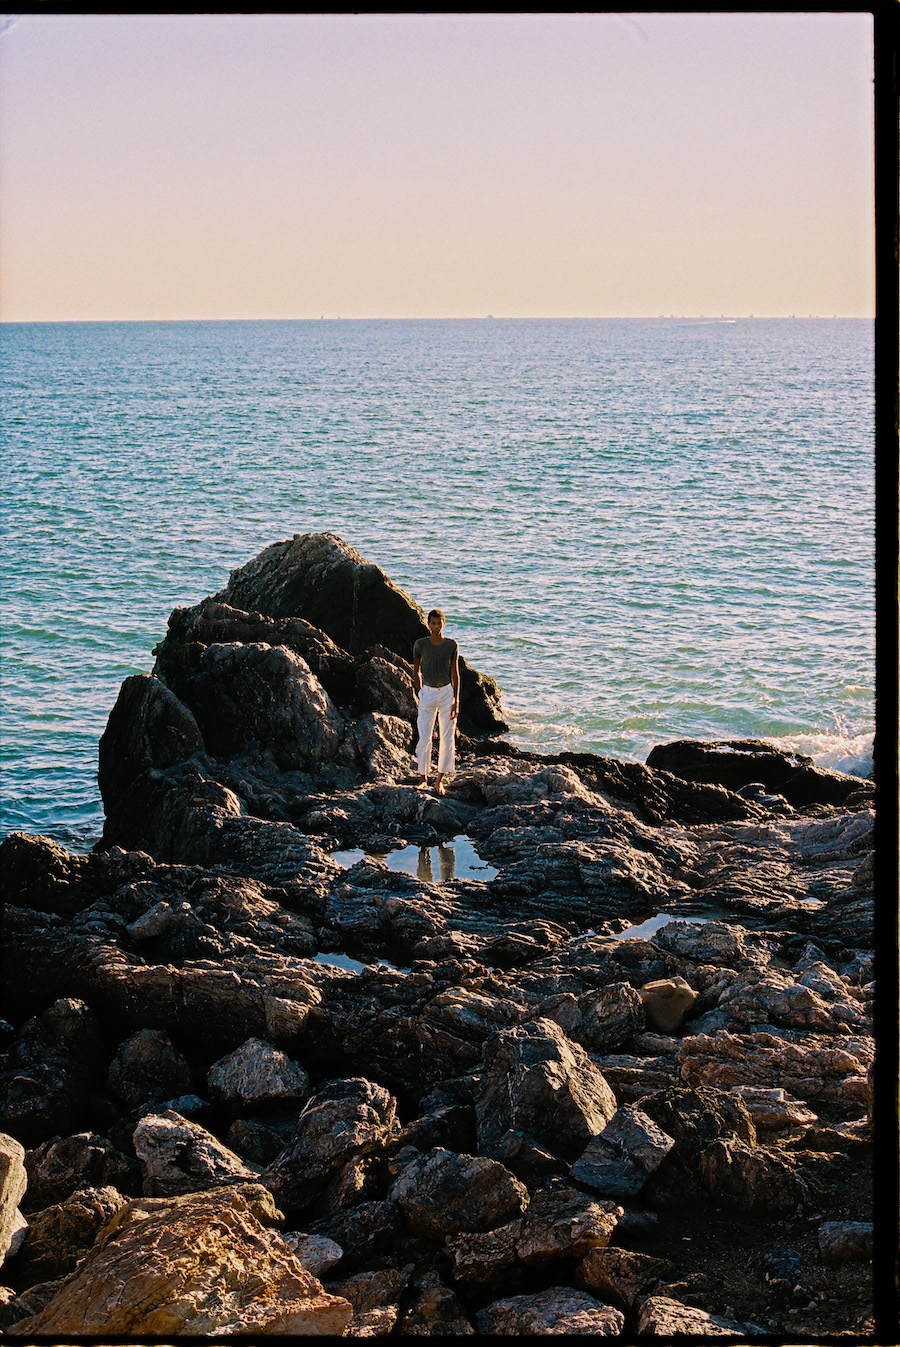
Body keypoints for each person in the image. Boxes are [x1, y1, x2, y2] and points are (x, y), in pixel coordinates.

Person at [412, 609, 459, 795]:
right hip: (428, 693)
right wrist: (420, 691)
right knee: (424, 736)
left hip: (447, 693)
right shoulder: (420, 644)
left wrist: (456, 699)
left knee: (447, 737)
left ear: (444, 623)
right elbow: (416, 670)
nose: (436, 626)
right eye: (433, 623)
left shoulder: (451, 645)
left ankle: (439, 780)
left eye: (439, 623)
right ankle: (423, 778)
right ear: (428, 623)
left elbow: (455, 673)